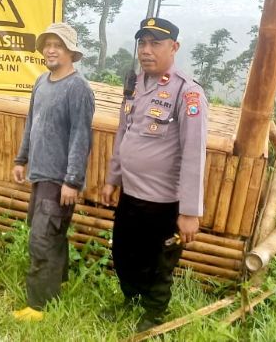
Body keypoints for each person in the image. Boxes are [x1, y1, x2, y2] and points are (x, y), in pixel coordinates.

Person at [100, 17, 208, 332]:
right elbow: (124, 133)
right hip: (131, 194)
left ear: (174, 47)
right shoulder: (134, 85)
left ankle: (153, 315)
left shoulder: (187, 93)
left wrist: (189, 212)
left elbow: (194, 154)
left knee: (158, 263)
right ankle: (130, 298)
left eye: (155, 43)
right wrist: (112, 179)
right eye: (143, 43)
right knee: (124, 253)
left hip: (163, 202)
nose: (146, 50)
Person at [11, 22, 96, 321]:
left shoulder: (78, 88)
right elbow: (31, 123)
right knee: (53, 235)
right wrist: (21, 159)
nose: (50, 50)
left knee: (42, 240)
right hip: (40, 174)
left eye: (57, 45)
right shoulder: (41, 82)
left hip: (60, 179)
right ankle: (58, 284)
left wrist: (72, 180)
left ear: (71, 52)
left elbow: (81, 138)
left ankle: (38, 306)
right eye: (47, 44)